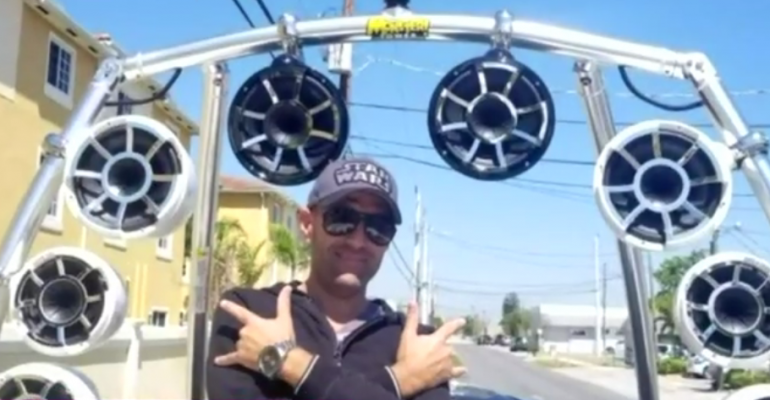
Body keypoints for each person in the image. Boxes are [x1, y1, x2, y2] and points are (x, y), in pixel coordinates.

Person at [206, 157, 466, 400]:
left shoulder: (417, 343)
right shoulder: (251, 314)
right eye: (342, 218)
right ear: (307, 223)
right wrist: (401, 380)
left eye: (378, 226)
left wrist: (289, 362)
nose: (358, 241)